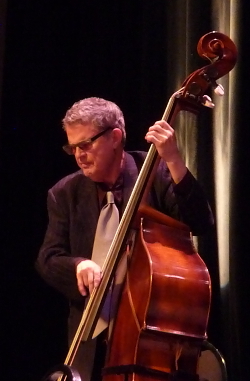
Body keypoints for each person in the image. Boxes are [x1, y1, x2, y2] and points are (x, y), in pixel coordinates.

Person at [36, 96, 214, 381]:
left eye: (86, 144)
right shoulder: (64, 193)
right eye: (73, 147)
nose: (79, 155)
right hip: (88, 342)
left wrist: (174, 159)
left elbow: (199, 222)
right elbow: (48, 258)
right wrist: (78, 265)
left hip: (146, 342)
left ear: (115, 136)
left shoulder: (154, 171)